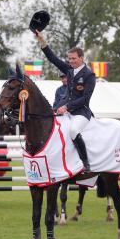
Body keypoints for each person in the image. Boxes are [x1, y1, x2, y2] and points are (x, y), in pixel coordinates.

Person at [35, 30, 96, 172]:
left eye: (73, 58)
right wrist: (41, 40)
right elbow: (53, 58)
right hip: (64, 110)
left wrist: (67, 107)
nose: (71, 61)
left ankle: (85, 162)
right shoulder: (68, 69)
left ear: (81, 58)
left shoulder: (89, 75)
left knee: (74, 131)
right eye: (69, 59)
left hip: (81, 112)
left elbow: (85, 99)